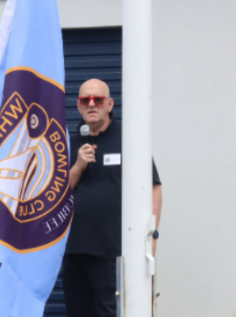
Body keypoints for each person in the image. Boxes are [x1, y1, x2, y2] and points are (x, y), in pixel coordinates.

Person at [62, 79, 163, 317]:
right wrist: (77, 165)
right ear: (78, 106)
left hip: (111, 250)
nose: (91, 104)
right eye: (85, 100)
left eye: (97, 99)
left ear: (109, 104)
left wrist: (152, 239)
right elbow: (56, 196)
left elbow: (153, 189)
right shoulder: (68, 144)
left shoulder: (129, 140)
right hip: (73, 250)